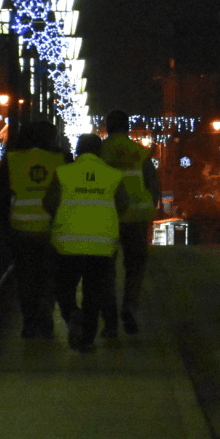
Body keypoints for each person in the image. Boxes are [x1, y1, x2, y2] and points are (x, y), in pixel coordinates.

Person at [43, 133, 129, 352]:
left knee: (63, 287)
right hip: (102, 245)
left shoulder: (63, 172)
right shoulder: (113, 175)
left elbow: (49, 203)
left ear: (78, 150)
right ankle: (87, 340)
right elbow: (123, 204)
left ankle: (72, 315)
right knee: (94, 293)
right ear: (99, 151)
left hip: (66, 243)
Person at [0, 120, 68, 338]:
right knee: (49, 274)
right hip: (52, 227)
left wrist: (5, 225)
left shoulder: (12, 159)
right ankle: (45, 315)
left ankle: (29, 322)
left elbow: (1, 196)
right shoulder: (60, 158)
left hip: (21, 227)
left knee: (26, 277)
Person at [100, 109, 160, 334]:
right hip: (137, 216)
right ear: (128, 128)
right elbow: (153, 184)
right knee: (135, 265)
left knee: (106, 269)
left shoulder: (100, 151)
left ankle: (109, 321)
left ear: (107, 127)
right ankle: (130, 306)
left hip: (107, 215)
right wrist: (149, 206)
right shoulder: (140, 152)